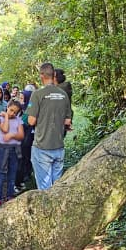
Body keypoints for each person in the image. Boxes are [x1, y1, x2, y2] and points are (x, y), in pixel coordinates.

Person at [27, 62, 73, 190]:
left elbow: (31, 121)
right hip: (58, 147)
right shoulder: (63, 94)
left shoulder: (37, 94)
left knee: (44, 190)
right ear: (54, 75)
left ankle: (45, 211)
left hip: (42, 147)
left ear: (41, 75)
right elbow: (67, 121)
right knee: (56, 188)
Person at [0, 100, 24, 205]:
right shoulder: (0, 119)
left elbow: (21, 135)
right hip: (3, 148)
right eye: (11, 110)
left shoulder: (19, 120)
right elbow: (5, 129)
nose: (12, 114)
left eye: (15, 112)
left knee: (13, 172)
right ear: (7, 107)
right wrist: (6, 116)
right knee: (1, 173)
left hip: (15, 148)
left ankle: (10, 195)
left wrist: (12, 136)